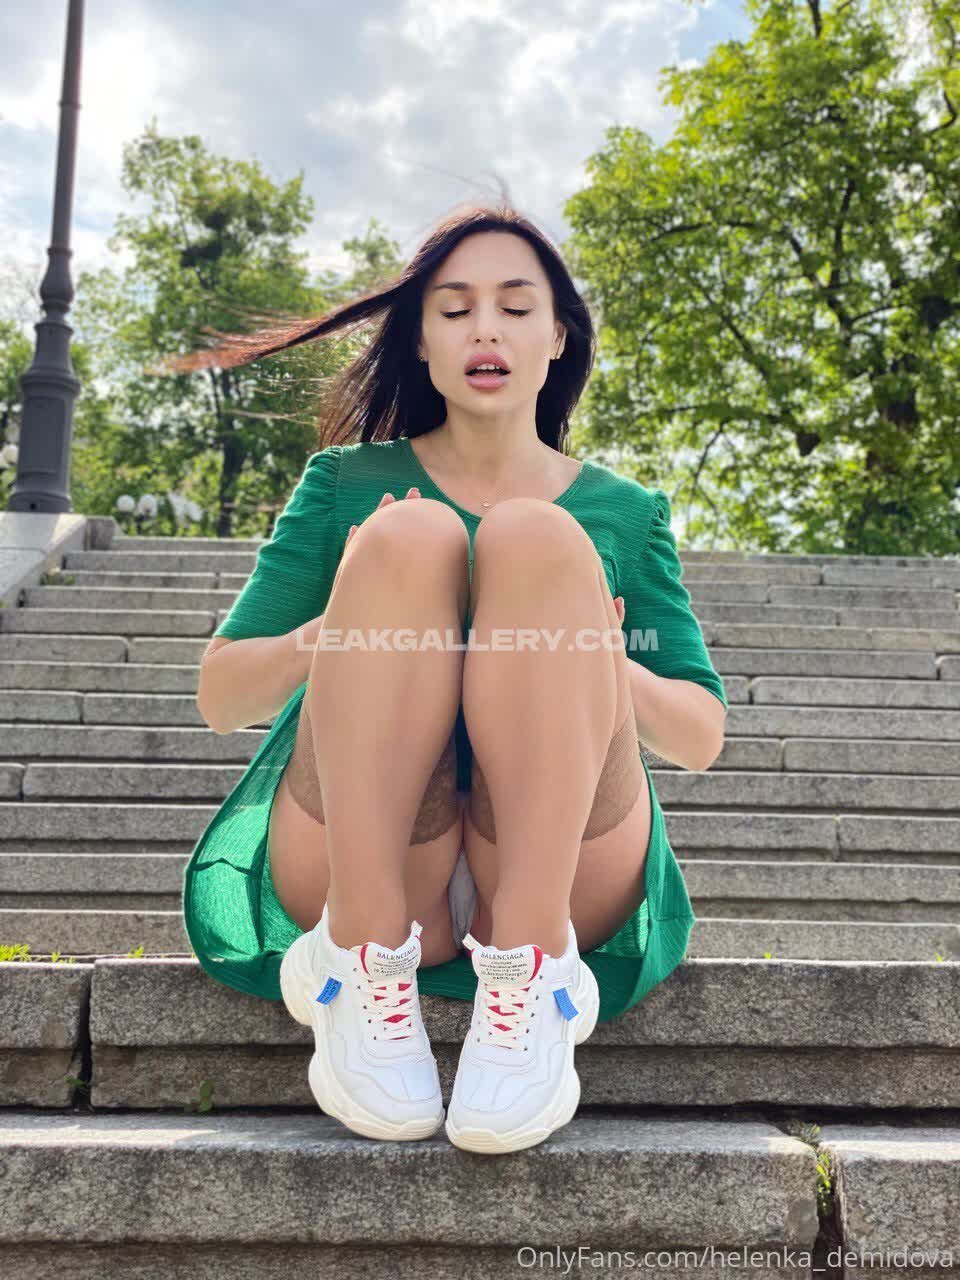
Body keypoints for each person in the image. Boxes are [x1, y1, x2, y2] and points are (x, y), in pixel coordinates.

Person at [170, 201, 728, 1155]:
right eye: (455, 308)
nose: (485, 330)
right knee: (411, 537)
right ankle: (359, 956)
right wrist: (340, 627)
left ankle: (535, 973)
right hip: (368, 853)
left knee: (537, 537)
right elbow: (222, 695)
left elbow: (700, 736)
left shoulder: (624, 512)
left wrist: (595, 653)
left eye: (515, 307)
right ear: (422, 341)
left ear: (558, 337)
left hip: (562, 867)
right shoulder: (346, 486)